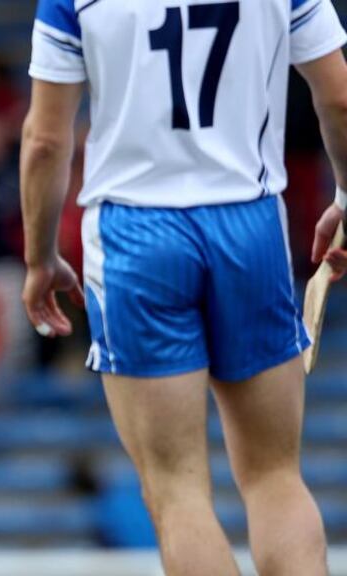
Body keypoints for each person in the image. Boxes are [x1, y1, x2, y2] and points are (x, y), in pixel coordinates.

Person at [21, 1, 347, 575]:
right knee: (275, 477)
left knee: (177, 492)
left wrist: (39, 257)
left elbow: (46, 140)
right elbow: (339, 97)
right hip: (249, 219)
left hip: (136, 232)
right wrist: (345, 196)